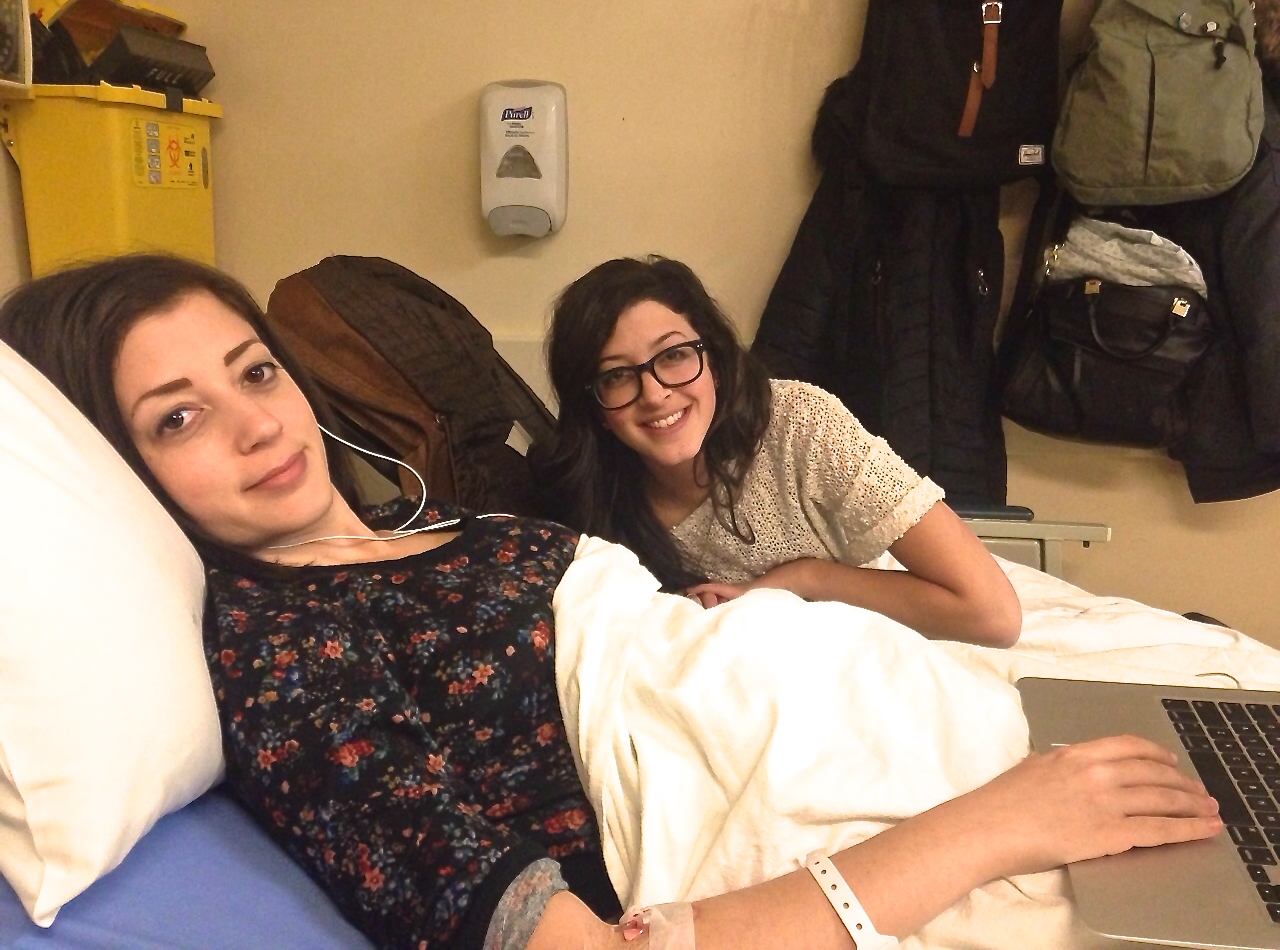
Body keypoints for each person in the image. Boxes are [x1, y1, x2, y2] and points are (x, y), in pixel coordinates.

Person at [0, 254, 1220, 950]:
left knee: (1219, 762)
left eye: (255, 371)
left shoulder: (437, 527)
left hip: (929, 717)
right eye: (178, 417)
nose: (257, 424)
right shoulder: (282, 656)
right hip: (896, 819)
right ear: (118, 469)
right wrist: (999, 825)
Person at [536, 255, 1021, 647]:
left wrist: (806, 579)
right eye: (617, 376)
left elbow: (993, 614)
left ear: (715, 361)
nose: (655, 393)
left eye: (675, 355)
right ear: (594, 407)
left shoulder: (801, 425)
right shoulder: (586, 511)